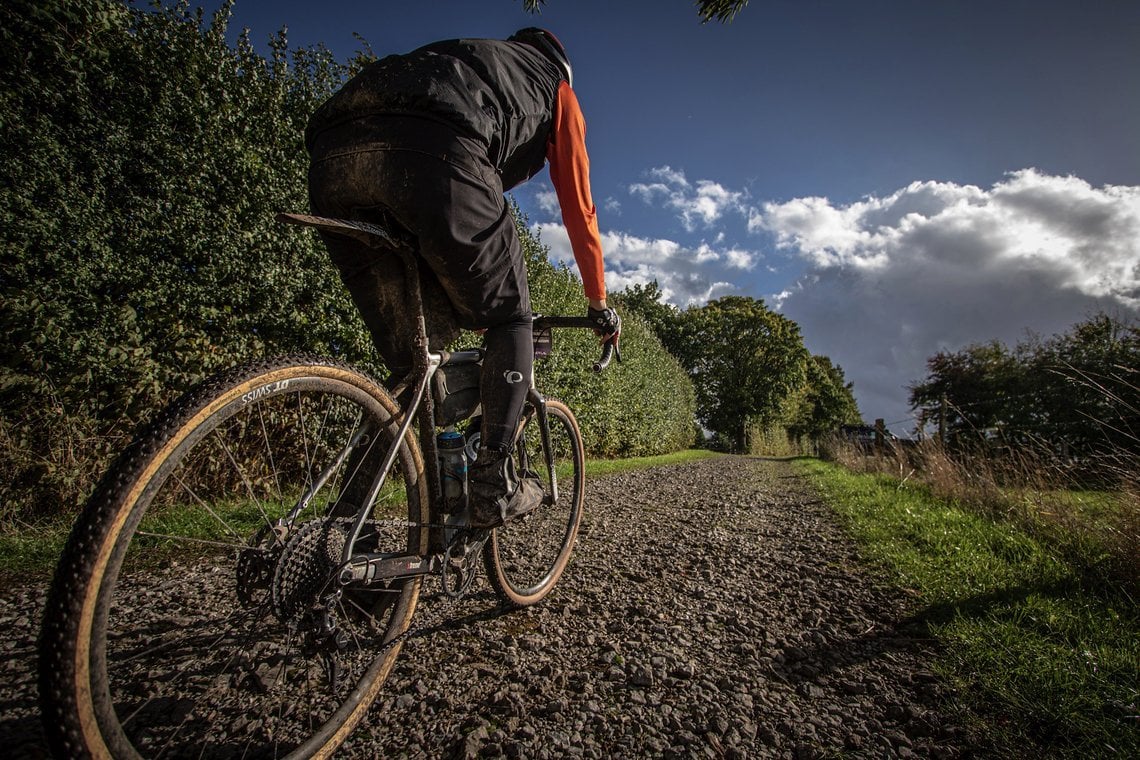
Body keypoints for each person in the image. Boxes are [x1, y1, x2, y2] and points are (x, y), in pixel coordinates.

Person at [305, 28, 620, 528]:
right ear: (563, 66)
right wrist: (598, 300)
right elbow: (579, 205)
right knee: (512, 317)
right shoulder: (557, 90)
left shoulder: (472, 60)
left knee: (415, 369)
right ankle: (494, 484)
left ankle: (344, 532)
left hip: (331, 158)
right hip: (434, 152)